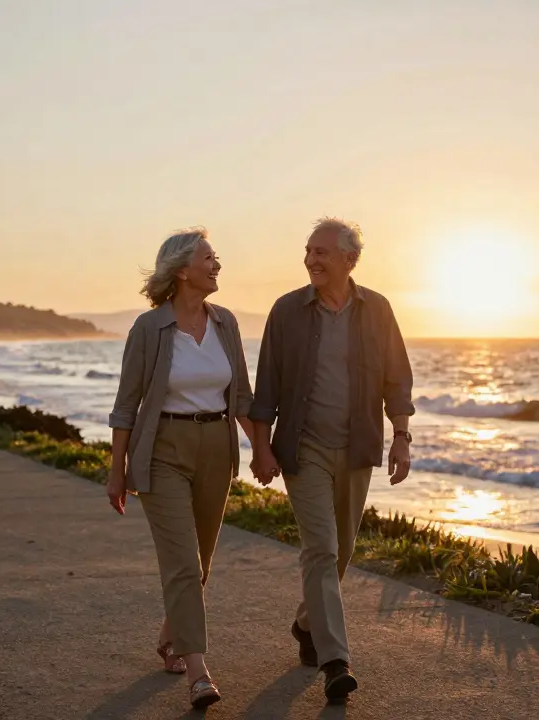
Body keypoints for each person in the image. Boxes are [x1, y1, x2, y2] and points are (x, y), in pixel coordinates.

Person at [248, 217, 414, 703]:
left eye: (321, 252)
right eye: (308, 250)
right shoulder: (286, 311)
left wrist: (401, 436)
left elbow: (396, 380)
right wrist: (260, 447)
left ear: (349, 259)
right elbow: (267, 390)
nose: (311, 259)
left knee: (340, 552)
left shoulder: (378, 310)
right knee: (320, 549)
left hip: (358, 447)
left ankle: (306, 624)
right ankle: (335, 660)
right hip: (304, 448)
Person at [107, 227, 258, 711]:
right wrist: (116, 471)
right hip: (163, 447)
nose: (217, 266)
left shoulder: (226, 323)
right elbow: (126, 405)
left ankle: (172, 636)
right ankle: (198, 672)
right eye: (210, 258)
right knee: (183, 563)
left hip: (217, 445)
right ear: (181, 270)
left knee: (201, 563)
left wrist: (264, 450)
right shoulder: (148, 329)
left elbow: (243, 398)